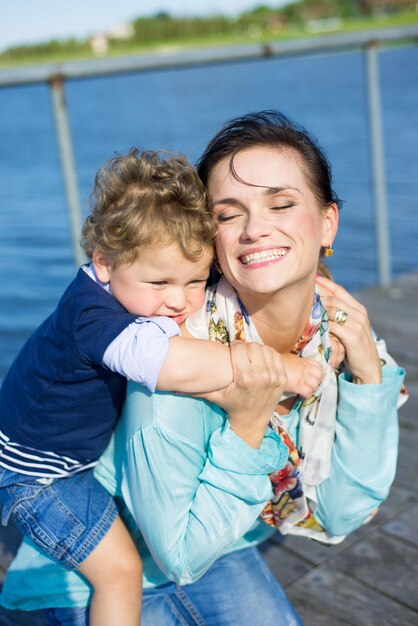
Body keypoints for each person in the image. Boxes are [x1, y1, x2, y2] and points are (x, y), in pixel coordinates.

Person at [0, 111, 406, 626]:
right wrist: (250, 414)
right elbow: (180, 555)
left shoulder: (336, 329)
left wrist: (369, 378)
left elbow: (343, 510)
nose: (256, 229)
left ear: (328, 222)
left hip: (221, 541)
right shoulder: (176, 347)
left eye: (281, 203)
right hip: (102, 564)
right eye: (229, 214)